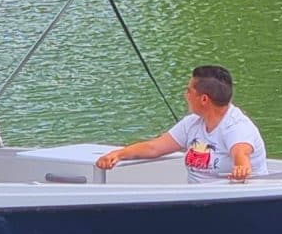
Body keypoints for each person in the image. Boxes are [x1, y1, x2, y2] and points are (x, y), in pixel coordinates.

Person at [95, 65, 268, 182]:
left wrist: (242, 169)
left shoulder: (236, 127)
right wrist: (119, 154)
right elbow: (154, 148)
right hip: (197, 202)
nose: (186, 95)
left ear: (204, 99)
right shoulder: (192, 123)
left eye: (189, 91)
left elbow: (241, 154)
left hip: (227, 201)